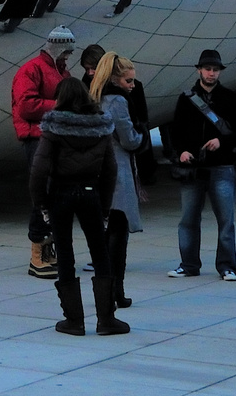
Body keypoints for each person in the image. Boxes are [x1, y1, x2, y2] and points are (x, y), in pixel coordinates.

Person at [29, 78, 129, 336]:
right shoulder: (101, 125)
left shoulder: (54, 126)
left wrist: (41, 203)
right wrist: (105, 207)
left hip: (61, 192)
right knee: (100, 253)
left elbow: (39, 168)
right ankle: (106, 320)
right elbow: (110, 170)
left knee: (65, 254)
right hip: (90, 192)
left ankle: (74, 321)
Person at [169, 49, 236, 281]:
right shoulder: (186, 98)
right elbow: (175, 131)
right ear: (199, 70)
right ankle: (189, 264)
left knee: (226, 220)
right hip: (193, 168)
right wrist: (181, 151)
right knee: (188, 220)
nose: (212, 73)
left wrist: (221, 141)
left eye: (215, 70)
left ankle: (227, 266)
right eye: (208, 69)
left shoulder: (230, 97)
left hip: (221, 167)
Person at [11, 27, 75, 278]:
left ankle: (47, 249)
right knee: (44, 193)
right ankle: (38, 251)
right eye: (67, 51)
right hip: (37, 138)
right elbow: (27, 106)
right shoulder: (32, 70)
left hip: (53, 137)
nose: (69, 57)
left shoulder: (60, 71)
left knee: (56, 195)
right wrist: (62, 106)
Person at [89, 52, 145, 310]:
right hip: (118, 172)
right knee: (117, 236)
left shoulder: (94, 97)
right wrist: (141, 134)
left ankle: (107, 290)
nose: (133, 86)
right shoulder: (117, 102)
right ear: (115, 78)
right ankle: (115, 290)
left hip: (98, 172)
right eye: (129, 81)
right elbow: (129, 139)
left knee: (105, 236)